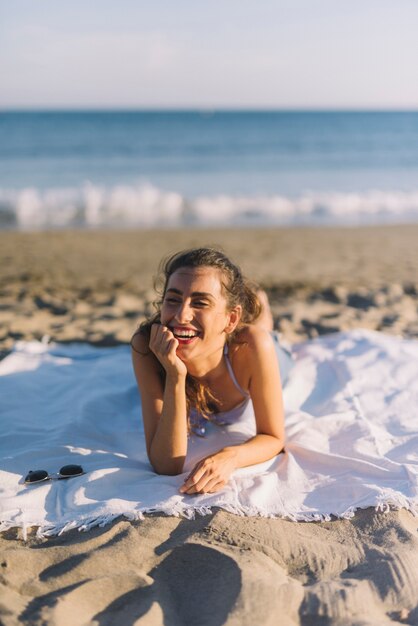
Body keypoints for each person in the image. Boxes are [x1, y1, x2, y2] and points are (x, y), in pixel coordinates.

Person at [131, 247, 291, 496]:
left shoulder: (252, 347)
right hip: (221, 340)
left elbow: (273, 437)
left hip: (262, 352)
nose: (181, 316)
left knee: (264, 329)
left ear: (230, 319)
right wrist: (175, 375)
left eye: (200, 302)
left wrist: (231, 456)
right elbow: (166, 465)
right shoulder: (146, 347)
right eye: (173, 299)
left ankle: (259, 302)